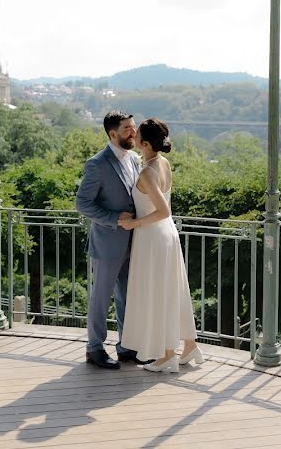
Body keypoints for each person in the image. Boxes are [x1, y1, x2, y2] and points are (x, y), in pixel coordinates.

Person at [119, 118, 201, 373]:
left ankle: (167, 356)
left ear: (144, 144)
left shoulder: (147, 171)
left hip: (153, 237)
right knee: (174, 289)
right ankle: (189, 345)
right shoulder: (163, 163)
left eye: (137, 136)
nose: (133, 138)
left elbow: (162, 210)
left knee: (159, 293)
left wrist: (134, 224)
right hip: (168, 235)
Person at [75, 110, 152, 369]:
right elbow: (82, 204)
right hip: (107, 243)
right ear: (113, 133)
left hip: (133, 241)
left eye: (133, 127)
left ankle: (126, 346)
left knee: (127, 296)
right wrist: (114, 218)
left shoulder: (132, 159)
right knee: (101, 297)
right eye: (128, 128)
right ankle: (94, 348)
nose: (134, 132)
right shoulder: (97, 163)